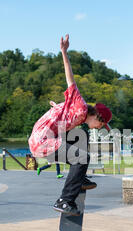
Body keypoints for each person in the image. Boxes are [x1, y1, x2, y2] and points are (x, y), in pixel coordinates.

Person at [28, 34, 112, 216]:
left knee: (81, 138)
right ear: (97, 117)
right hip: (42, 141)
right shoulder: (81, 108)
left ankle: (78, 178)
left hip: (43, 138)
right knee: (82, 158)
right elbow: (70, 80)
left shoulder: (78, 116)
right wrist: (64, 52)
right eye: (101, 125)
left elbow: (61, 111)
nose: (99, 128)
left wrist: (55, 107)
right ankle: (64, 201)